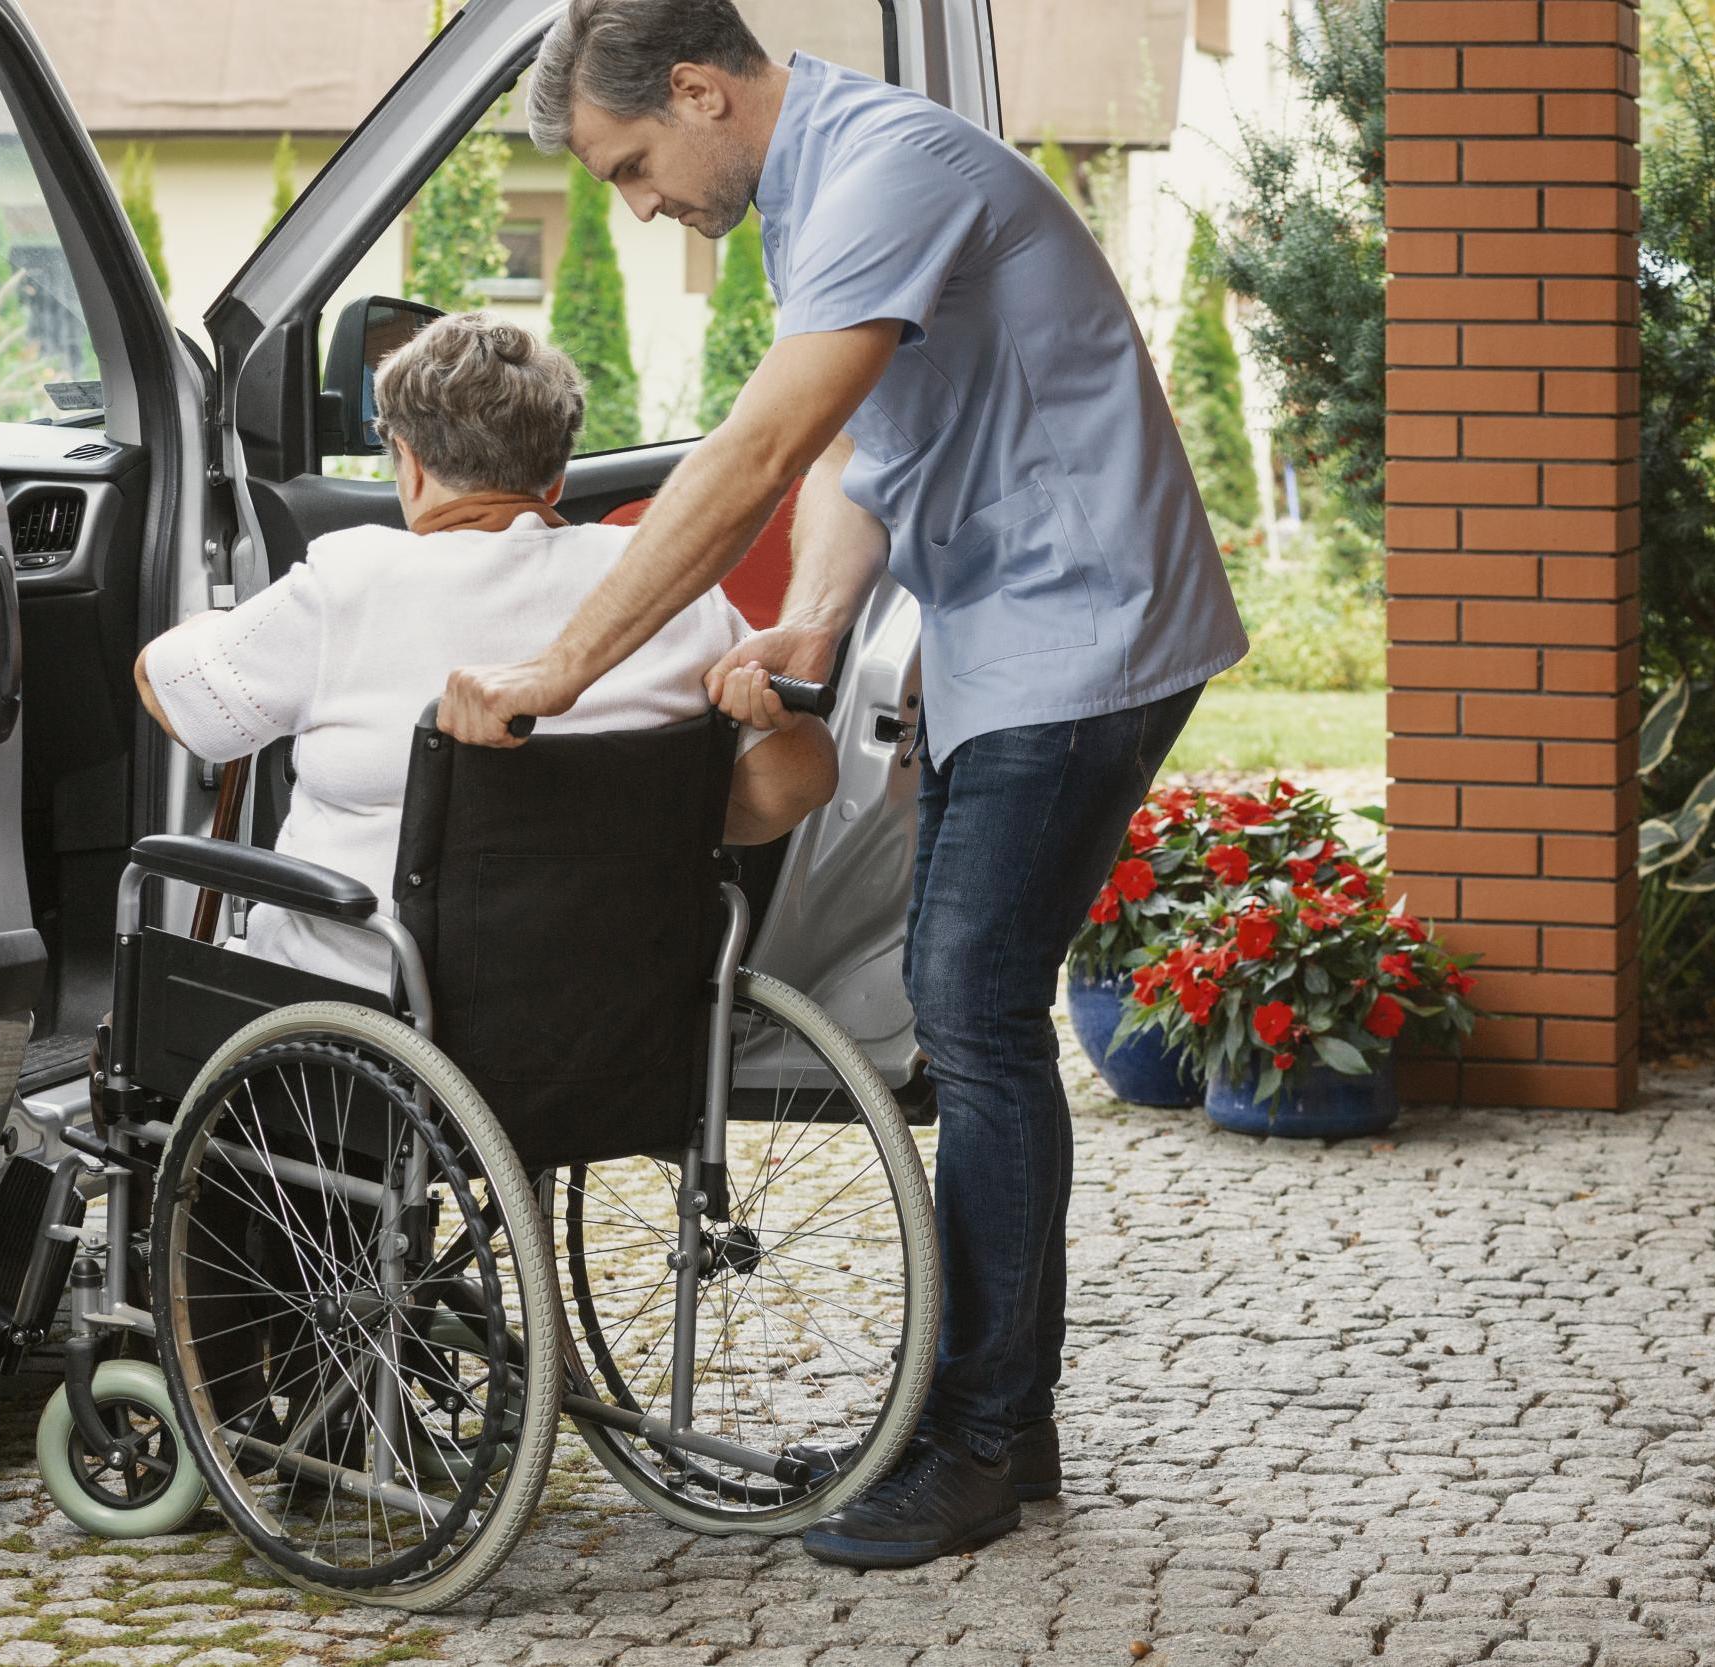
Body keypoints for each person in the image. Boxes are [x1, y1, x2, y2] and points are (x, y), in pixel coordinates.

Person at [432, 0, 1248, 1568]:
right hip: (1002, 630)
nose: (639, 202)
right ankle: (988, 1411)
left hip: (1083, 626)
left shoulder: (884, 167)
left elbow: (753, 448)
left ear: (695, 89)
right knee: (972, 1005)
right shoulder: (807, 201)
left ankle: (984, 1437)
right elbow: (859, 459)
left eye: (629, 164)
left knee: (971, 1006)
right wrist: (814, 616)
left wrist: (562, 667)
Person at [133, 311, 837, 991]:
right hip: (608, 1026)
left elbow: (174, 693)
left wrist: (203, 629)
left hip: (358, 1034)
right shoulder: (669, 589)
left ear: (406, 464)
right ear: (555, 477)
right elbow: (784, 790)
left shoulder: (348, 584)